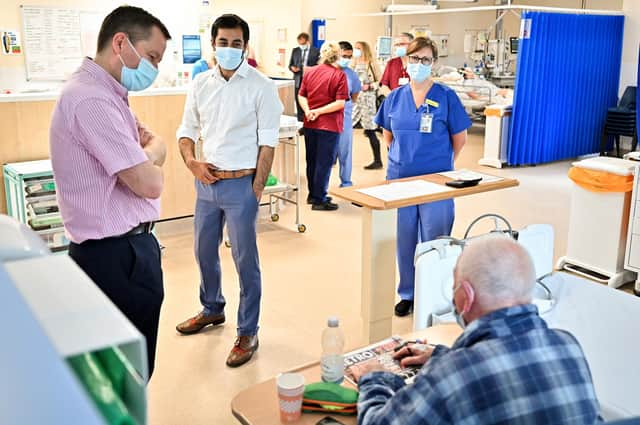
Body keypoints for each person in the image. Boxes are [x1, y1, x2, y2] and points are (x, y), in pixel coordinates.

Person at [352, 234, 602, 425]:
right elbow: (503, 365)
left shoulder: (453, 374)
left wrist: (375, 377)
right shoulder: (568, 345)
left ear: (465, 296)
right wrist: (444, 356)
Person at [49, 5, 170, 379]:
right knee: (123, 377)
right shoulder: (91, 99)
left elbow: (151, 144)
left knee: (129, 367)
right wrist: (152, 155)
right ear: (121, 43)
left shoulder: (108, 93)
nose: (154, 68)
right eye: (151, 56)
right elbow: (150, 181)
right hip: (115, 257)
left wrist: (148, 154)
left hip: (127, 249)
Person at [175, 14, 283, 368]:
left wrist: (255, 191)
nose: (229, 49)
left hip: (242, 184)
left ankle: (248, 330)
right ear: (213, 45)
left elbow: (268, 143)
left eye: (236, 44)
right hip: (206, 182)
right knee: (203, 251)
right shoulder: (201, 83)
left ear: (245, 47)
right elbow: (187, 130)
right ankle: (212, 308)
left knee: (244, 260)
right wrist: (192, 162)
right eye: (223, 43)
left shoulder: (261, 86)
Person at [375, 37, 471, 317]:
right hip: (400, 181)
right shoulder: (394, 97)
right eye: (414, 59)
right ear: (406, 62)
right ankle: (408, 293)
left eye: (425, 60)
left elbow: (460, 139)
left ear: (434, 63)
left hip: (436, 180)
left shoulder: (446, 96)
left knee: (436, 239)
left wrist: (440, 163)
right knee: (404, 238)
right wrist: (401, 160)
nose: (419, 65)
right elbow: (388, 134)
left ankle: (434, 292)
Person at [298, 41, 348, 211]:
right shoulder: (339, 75)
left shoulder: (310, 72)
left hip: (310, 123)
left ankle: (313, 195)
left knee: (311, 161)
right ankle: (319, 199)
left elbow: (301, 95)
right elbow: (340, 103)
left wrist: (309, 111)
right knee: (323, 163)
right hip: (329, 125)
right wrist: (319, 112)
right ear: (338, 55)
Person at [352, 41, 383, 170]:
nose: (356, 50)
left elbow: (380, 80)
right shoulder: (353, 63)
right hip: (355, 99)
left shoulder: (371, 64)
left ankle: (378, 160)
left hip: (368, 99)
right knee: (344, 128)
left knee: (370, 131)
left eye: (358, 48)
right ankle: (334, 159)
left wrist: (370, 86)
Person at [336, 41, 361, 188]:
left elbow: (355, 93)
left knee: (345, 151)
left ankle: (346, 181)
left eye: (349, 57)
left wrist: (347, 104)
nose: (346, 59)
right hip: (327, 117)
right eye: (344, 56)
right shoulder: (327, 71)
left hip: (344, 117)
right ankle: (321, 189)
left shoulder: (351, 74)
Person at [289, 32, 320, 123]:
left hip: (311, 80)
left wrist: (310, 69)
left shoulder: (316, 51)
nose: (301, 45)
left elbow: (319, 66)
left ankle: (309, 120)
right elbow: (290, 64)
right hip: (298, 79)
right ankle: (300, 121)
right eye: (299, 43)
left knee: (310, 101)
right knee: (298, 100)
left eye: (303, 43)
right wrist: (292, 68)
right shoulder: (295, 50)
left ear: (307, 41)